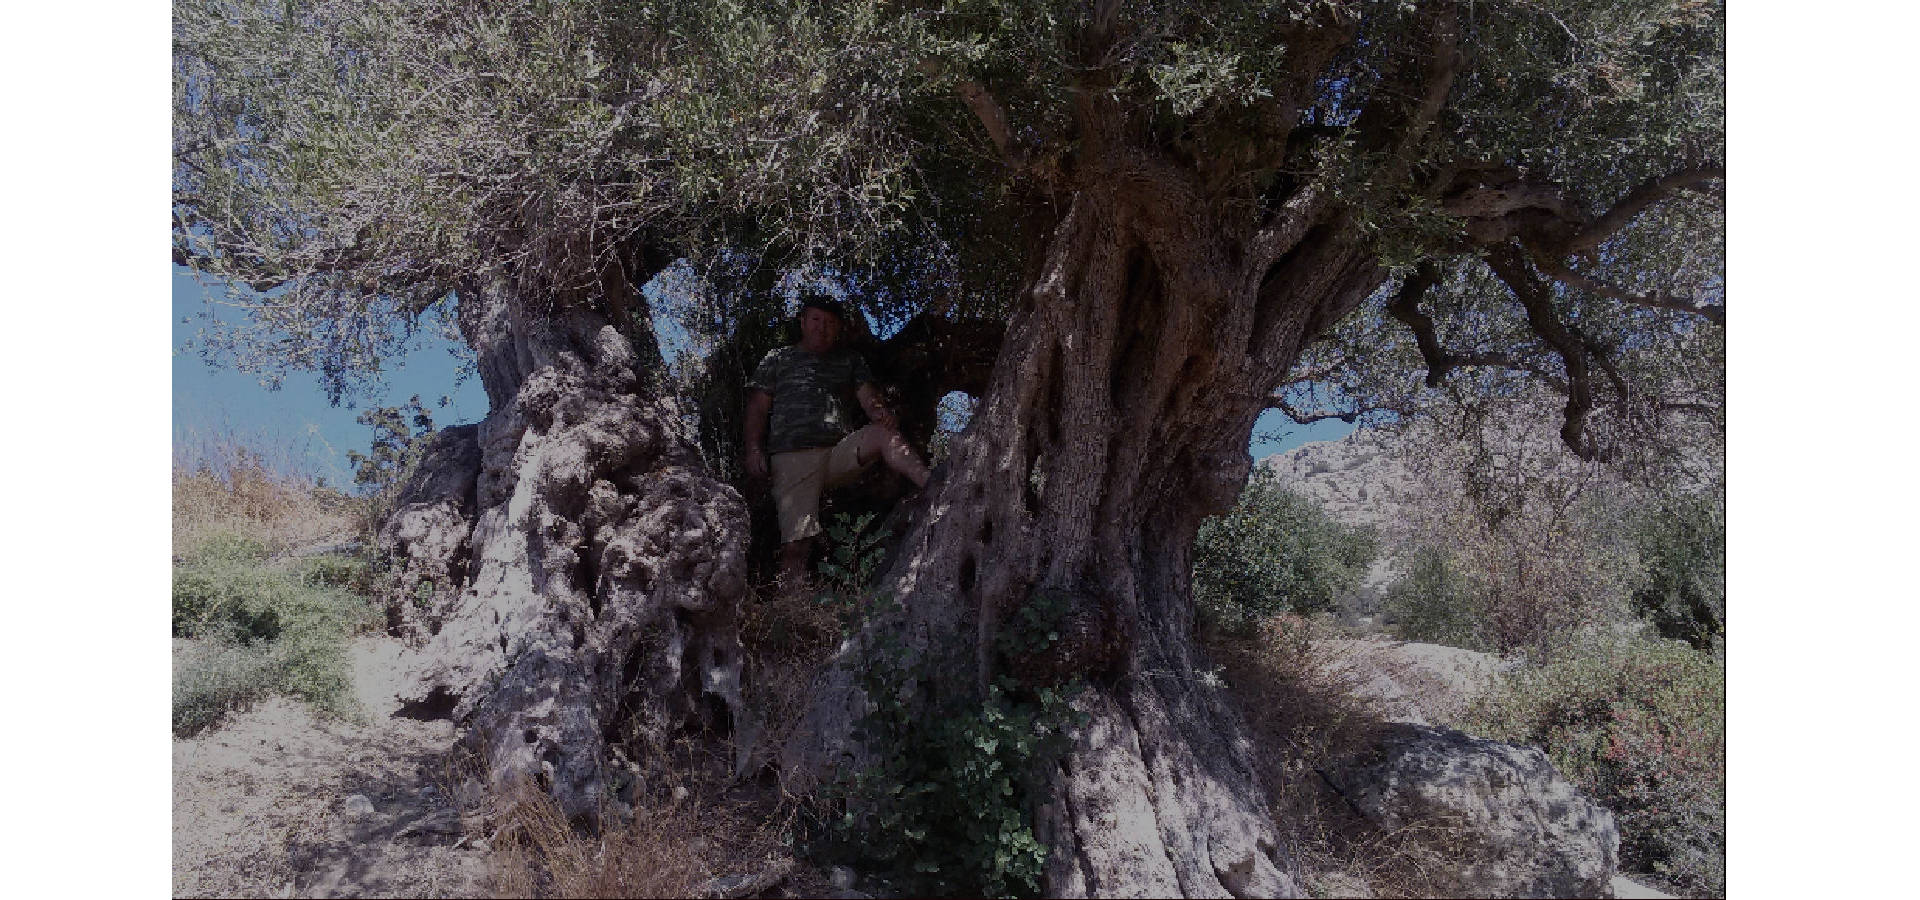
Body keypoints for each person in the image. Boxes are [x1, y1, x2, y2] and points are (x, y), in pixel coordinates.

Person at [745, 297, 931, 593]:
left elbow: (868, 399)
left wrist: (880, 413)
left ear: (838, 329)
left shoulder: (849, 360)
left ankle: (932, 484)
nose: (823, 327)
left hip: (836, 452)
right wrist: (753, 449)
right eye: (817, 320)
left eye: (830, 323)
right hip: (792, 458)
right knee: (797, 547)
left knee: (883, 435)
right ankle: (791, 613)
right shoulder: (778, 359)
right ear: (803, 322)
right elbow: (757, 407)